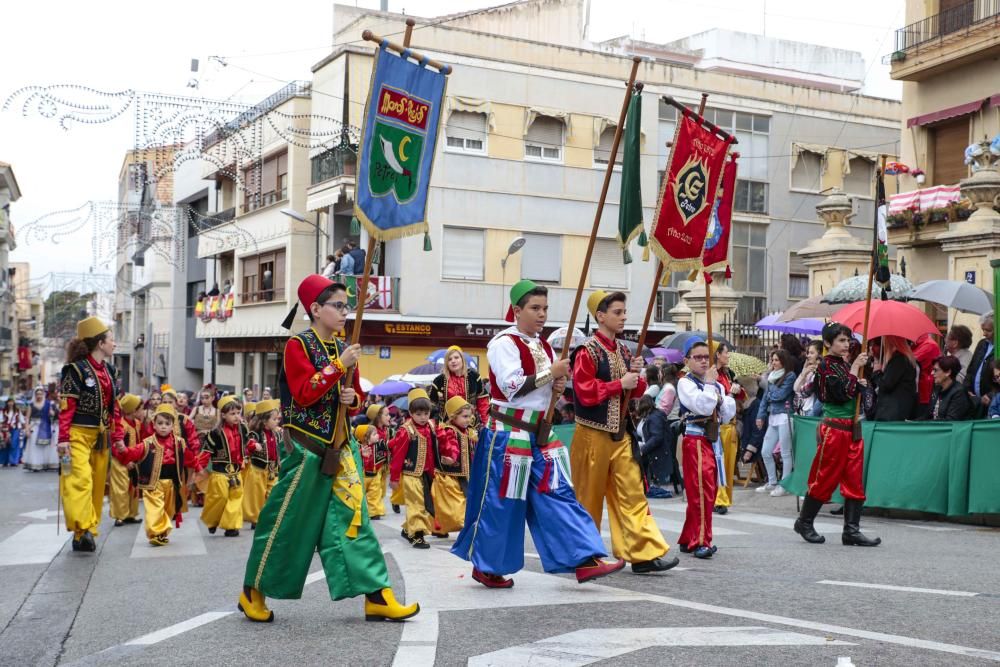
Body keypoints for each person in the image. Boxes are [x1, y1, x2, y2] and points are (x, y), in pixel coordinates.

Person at [239, 275, 418, 624]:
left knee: (355, 521)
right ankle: (252, 592)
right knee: (288, 522)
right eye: (337, 306)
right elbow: (305, 392)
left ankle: (378, 595)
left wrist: (354, 400)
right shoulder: (298, 346)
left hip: (342, 448)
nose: (344, 313)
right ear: (316, 309)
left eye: (346, 306)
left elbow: (352, 402)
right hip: (305, 450)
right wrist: (340, 367)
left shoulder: (343, 348)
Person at [452, 280, 623, 588]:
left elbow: (543, 383)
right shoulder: (503, 343)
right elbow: (512, 386)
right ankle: (487, 566)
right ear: (517, 310)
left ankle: (585, 557)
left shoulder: (542, 344)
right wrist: (551, 374)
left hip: (540, 433)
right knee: (505, 503)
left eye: (545, 308)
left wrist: (556, 384)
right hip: (508, 433)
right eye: (535, 308)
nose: (542, 315)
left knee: (558, 492)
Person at [570, 290, 679, 574]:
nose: (624, 317)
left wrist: (637, 378)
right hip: (592, 434)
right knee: (588, 497)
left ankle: (643, 554)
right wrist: (620, 383)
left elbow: (637, 393)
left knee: (633, 493)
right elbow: (583, 393)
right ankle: (585, 555)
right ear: (601, 316)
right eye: (617, 312)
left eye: (624, 312)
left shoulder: (624, 350)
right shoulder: (587, 351)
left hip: (621, 434)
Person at [794, 322, 880, 547]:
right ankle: (804, 521)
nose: (846, 344)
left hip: (853, 429)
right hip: (834, 430)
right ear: (827, 344)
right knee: (824, 478)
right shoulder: (826, 367)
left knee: (854, 480)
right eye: (841, 340)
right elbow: (840, 394)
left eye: (847, 340)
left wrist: (861, 382)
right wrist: (853, 374)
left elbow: (857, 396)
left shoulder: (845, 364)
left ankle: (851, 530)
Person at [57, 316, 124, 552]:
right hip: (77, 434)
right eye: (111, 339)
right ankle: (82, 527)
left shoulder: (111, 370)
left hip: (101, 435)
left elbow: (114, 407)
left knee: (96, 485)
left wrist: (118, 437)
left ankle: (83, 534)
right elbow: (67, 408)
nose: (114, 344)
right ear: (100, 343)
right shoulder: (74, 370)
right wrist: (63, 439)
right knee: (80, 480)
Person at [676, 339, 737, 559]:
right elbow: (702, 405)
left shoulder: (716, 383)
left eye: (706, 357)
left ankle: (688, 536)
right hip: (695, 440)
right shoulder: (685, 383)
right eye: (698, 357)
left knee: (707, 492)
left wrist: (716, 392)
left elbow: (729, 410)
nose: (703, 361)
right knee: (700, 492)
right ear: (687, 361)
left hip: (712, 440)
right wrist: (713, 390)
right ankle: (701, 540)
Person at [114, 404, 205, 547]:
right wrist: (123, 450)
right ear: (154, 425)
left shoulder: (179, 443)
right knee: (155, 508)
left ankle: (161, 533)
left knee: (168, 510)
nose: (163, 427)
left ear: (172, 426)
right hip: (152, 483)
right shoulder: (147, 443)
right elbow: (133, 453)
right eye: (160, 423)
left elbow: (189, 457)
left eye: (167, 424)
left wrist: (198, 467)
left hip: (172, 483)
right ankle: (155, 533)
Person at [388, 388, 438, 547]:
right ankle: (417, 535)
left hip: (427, 474)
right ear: (410, 412)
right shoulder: (406, 431)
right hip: (410, 474)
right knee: (416, 505)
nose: (423, 418)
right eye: (418, 414)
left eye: (426, 413)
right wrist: (394, 477)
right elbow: (398, 456)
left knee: (426, 505)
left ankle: (408, 529)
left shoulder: (431, 426)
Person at [201, 396, 248, 537]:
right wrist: (199, 468)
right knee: (219, 498)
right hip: (220, 473)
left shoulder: (243, 429)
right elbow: (206, 452)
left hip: (236, 471)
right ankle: (212, 521)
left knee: (236, 498)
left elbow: (247, 444)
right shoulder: (215, 433)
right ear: (223, 415)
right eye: (232, 414)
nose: (236, 416)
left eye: (238, 413)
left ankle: (231, 527)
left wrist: (252, 448)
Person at [432, 396, 477, 535]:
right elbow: (450, 446)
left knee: (462, 502)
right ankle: (456, 526)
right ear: (453, 416)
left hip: (465, 475)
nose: (468, 419)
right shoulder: (449, 431)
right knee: (451, 506)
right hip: (450, 477)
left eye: (470, 416)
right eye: (464, 416)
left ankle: (441, 528)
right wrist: (451, 457)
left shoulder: (469, 431)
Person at [755, 350, 796, 497]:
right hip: (773, 416)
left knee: (786, 453)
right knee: (766, 451)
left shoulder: (790, 376)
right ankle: (772, 482)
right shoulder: (771, 377)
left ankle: (784, 485)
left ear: (783, 361)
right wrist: (760, 416)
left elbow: (779, 395)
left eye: (776, 360)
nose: (773, 363)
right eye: (772, 360)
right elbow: (765, 399)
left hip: (785, 416)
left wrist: (769, 388)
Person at [713, 342, 746, 514]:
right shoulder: (712, 376)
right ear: (718, 354)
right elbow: (717, 399)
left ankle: (724, 498)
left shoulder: (727, 374)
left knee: (728, 465)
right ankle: (719, 499)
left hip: (731, 425)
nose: (729, 356)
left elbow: (741, 396)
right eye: (726, 352)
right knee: (719, 464)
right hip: (720, 425)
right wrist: (730, 394)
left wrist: (737, 389)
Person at [243, 399, 281, 530]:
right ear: (265, 421)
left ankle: (271, 517)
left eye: (277, 419)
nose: (277, 421)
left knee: (273, 493)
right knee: (257, 496)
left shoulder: (276, 433)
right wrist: (254, 445)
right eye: (274, 419)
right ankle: (256, 518)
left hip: (272, 470)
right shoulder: (256, 433)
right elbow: (248, 444)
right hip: (258, 470)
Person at [429, 345, 489, 426]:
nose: (453, 361)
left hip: (471, 424)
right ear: (446, 363)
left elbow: (482, 402)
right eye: (449, 359)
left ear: (462, 359)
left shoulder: (474, 376)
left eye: (456, 357)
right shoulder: (438, 381)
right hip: (448, 426)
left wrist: (486, 423)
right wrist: (435, 424)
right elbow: (432, 406)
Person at [109, 394, 143, 526]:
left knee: (134, 487)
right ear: (133, 410)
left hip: (134, 462)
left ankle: (130, 514)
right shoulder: (120, 425)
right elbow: (115, 445)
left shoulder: (138, 424)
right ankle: (119, 515)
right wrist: (126, 461)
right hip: (120, 463)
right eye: (140, 409)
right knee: (120, 488)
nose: (142, 412)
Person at [872, 335, 918, 421]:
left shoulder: (899, 359)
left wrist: (876, 373)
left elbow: (886, 385)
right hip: (899, 410)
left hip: (891, 413)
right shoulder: (905, 358)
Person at [636, 395, 673, 498]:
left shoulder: (654, 417)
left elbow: (657, 438)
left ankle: (642, 485)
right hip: (647, 447)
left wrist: (643, 449)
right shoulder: (647, 417)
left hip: (656, 452)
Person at [189, 386, 219, 506]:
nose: (204, 400)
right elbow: (187, 420)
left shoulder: (217, 412)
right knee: (197, 466)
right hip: (197, 442)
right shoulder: (196, 409)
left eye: (207, 397)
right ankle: (197, 495)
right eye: (202, 397)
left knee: (208, 468)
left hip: (210, 443)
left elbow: (219, 427)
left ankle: (206, 495)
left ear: (212, 398)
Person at [361, 404, 391, 520]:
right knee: (372, 490)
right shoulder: (369, 431)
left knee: (381, 490)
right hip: (369, 467)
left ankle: (375, 509)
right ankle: (374, 511)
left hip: (382, 466)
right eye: (386, 414)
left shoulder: (387, 431)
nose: (389, 417)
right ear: (378, 417)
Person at [964, 313, 995, 418]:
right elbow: (971, 369)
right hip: (975, 400)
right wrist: (967, 388)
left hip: (991, 402)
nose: (984, 334)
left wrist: (991, 394)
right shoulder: (982, 344)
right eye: (983, 330)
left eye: (988, 330)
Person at [22, 387, 59, 472]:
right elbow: (27, 418)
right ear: (35, 395)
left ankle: (45, 463)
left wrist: (52, 413)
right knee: (34, 446)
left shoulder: (48, 404)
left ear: (43, 395)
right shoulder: (31, 405)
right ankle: (35, 464)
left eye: (41, 394)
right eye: (37, 394)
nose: (39, 395)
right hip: (34, 427)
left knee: (46, 446)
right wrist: (27, 429)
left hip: (45, 426)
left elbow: (53, 414)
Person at [929, 356, 974, 421]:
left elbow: (950, 421)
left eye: (935, 370)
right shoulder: (937, 388)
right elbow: (928, 415)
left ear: (948, 372)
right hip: (935, 428)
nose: (932, 373)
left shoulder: (959, 393)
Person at [912, 332, 940, 420]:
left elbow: (910, 363)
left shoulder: (929, 345)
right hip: (917, 391)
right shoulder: (915, 344)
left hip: (923, 394)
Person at [794, 341, 824, 418]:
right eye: (808, 353)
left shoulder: (821, 371)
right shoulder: (808, 370)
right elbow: (795, 388)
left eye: (811, 353)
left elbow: (804, 392)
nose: (808, 356)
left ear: (820, 355)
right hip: (803, 409)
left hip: (812, 411)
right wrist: (804, 373)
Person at [1, 398, 24, 467]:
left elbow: (21, 419)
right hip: (5, 429)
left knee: (14, 444)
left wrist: (24, 426)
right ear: (7, 403)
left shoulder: (17, 411)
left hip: (15, 429)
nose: (10, 403)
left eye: (12, 402)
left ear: (14, 403)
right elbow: (1, 420)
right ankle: (4, 461)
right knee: (5, 444)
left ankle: (13, 461)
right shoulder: (3, 411)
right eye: (9, 402)